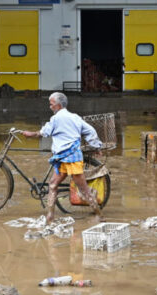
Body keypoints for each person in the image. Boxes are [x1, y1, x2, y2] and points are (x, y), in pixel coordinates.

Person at [22, 92, 102, 223]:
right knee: (53, 184)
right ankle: (50, 216)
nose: (50, 107)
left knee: (83, 188)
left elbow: (43, 133)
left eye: (51, 104)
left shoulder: (56, 119)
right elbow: (90, 131)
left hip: (71, 159)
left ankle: (99, 214)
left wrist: (30, 134)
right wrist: (96, 146)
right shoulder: (75, 117)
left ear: (58, 105)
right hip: (63, 159)